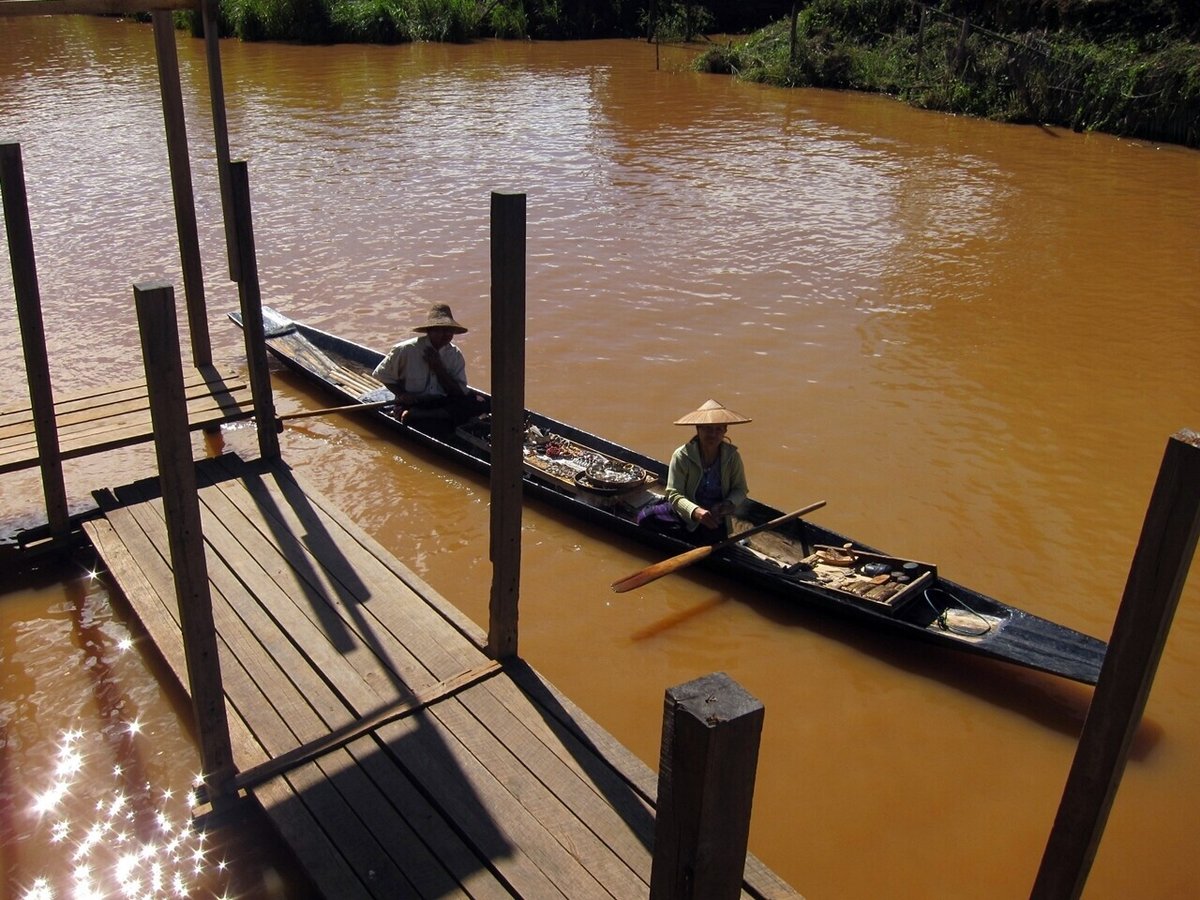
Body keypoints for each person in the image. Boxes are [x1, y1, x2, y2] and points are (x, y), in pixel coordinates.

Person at [637, 399, 751, 543]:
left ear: (725, 431)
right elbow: (674, 493)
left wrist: (727, 505)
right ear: (698, 429)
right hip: (686, 512)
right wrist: (696, 512)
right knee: (644, 518)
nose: (713, 434)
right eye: (708, 429)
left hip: (714, 517)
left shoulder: (732, 457)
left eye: (718, 429)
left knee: (711, 540)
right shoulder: (682, 456)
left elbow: (740, 489)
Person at [372, 303, 487, 425]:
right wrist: (401, 394)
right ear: (429, 331)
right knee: (419, 420)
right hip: (415, 403)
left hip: (442, 401)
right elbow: (382, 374)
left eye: (449, 330)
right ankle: (415, 415)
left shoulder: (454, 354)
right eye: (441, 330)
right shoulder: (406, 350)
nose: (446, 335)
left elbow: (458, 392)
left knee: (481, 403)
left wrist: (438, 368)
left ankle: (430, 415)